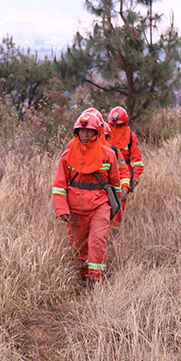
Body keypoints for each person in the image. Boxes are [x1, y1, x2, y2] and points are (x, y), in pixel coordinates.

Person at [52, 110, 122, 287]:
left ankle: (96, 278)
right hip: (75, 208)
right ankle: (82, 276)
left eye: (89, 131)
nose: (85, 134)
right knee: (78, 244)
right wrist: (61, 209)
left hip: (100, 206)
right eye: (81, 131)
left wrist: (115, 209)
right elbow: (59, 185)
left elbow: (115, 185)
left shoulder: (108, 155)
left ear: (96, 132)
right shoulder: (67, 155)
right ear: (76, 132)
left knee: (97, 241)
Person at [107, 106, 144, 230]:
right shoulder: (104, 134)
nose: (116, 128)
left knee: (119, 204)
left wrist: (136, 175)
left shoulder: (131, 137)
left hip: (124, 175)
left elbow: (137, 158)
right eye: (113, 125)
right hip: (107, 173)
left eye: (119, 125)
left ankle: (113, 232)